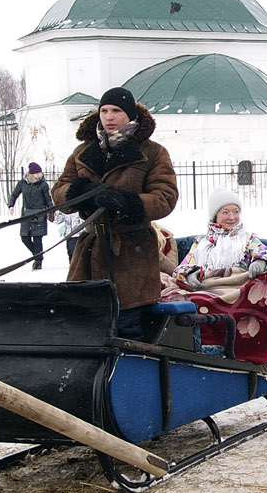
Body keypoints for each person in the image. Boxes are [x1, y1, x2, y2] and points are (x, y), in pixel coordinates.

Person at [54, 87, 178, 341]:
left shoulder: (153, 152)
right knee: (86, 326)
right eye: (104, 111)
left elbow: (165, 197)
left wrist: (126, 202)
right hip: (89, 252)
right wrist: (82, 191)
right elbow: (58, 193)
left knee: (127, 327)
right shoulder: (82, 152)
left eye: (117, 111)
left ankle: (128, 378)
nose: (109, 116)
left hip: (132, 255)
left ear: (130, 115)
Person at [171, 188, 267, 298]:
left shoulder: (247, 239)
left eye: (236, 212)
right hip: (205, 289)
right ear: (215, 216)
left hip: (236, 290)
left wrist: (261, 261)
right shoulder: (201, 243)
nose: (232, 217)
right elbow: (180, 269)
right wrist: (189, 274)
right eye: (225, 212)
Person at [8, 162, 53, 270]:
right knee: (24, 238)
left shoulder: (43, 184)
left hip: (39, 215)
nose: (39, 175)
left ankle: (38, 261)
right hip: (26, 215)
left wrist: (52, 210)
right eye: (36, 173)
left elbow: (48, 199)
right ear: (30, 174)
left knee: (37, 239)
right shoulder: (23, 183)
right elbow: (14, 194)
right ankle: (37, 254)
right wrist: (11, 205)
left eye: (40, 172)